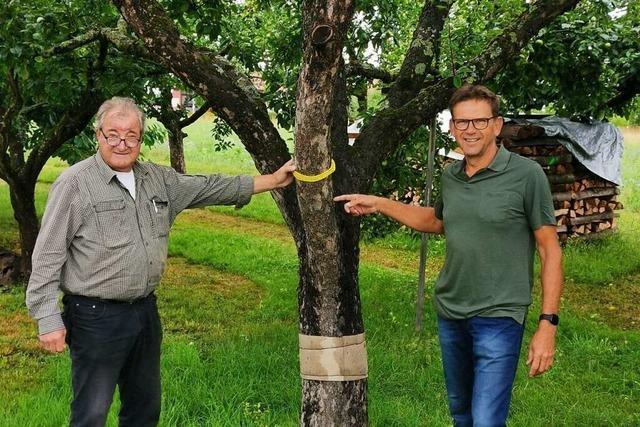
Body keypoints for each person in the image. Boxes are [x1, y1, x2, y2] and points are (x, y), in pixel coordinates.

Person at [26, 96, 296, 427]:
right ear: (98, 135)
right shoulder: (75, 184)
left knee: (145, 408)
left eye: (132, 135)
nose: (122, 144)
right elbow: (47, 254)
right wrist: (47, 318)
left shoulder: (157, 179)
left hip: (144, 313)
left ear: (141, 138)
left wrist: (272, 180)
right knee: (91, 414)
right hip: (95, 318)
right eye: (113, 134)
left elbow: (208, 188)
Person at [335, 85, 562, 427]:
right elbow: (437, 221)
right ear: (452, 128)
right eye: (462, 123)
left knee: (486, 420)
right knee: (462, 415)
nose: (470, 130)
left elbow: (549, 250)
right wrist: (379, 203)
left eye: (480, 121)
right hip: (452, 312)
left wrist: (548, 323)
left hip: (500, 314)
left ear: (497, 125)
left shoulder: (527, 176)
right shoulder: (452, 176)